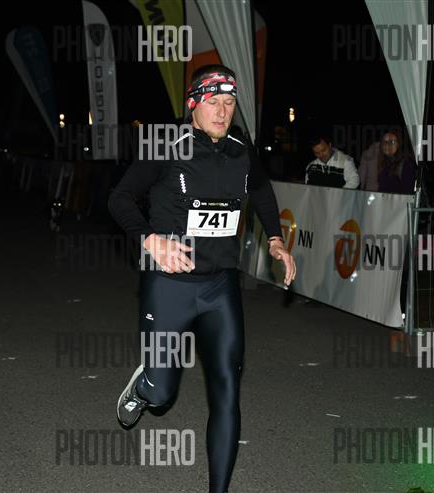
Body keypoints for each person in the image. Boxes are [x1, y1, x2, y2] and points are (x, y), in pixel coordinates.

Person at [108, 64, 296, 493]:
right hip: (168, 285)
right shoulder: (165, 146)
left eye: (229, 103)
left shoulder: (241, 148)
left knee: (227, 392)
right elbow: (119, 198)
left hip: (219, 286)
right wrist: (150, 240)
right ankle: (145, 386)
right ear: (193, 104)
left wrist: (275, 239)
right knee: (162, 395)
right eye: (214, 102)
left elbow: (261, 191)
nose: (223, 111)